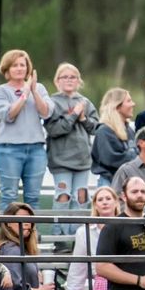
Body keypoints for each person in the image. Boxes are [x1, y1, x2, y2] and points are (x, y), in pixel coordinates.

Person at [0, 49, 52, 211]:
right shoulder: (1, 91)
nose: (19, 68)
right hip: (9, 150)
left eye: (22, 65)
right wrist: (24, 94)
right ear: (7, 69)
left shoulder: (39, 88)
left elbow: (46, 112)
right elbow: (8, 115)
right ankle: (8, 235)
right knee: (9, 196)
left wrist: (33, 91)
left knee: (33, 198)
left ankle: (31, 234)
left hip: (36, 149)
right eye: (14, 65)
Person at [45, 62, 98, 218]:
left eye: (73, 77)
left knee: (81, 196)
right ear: (57, 81)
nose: (69, 80)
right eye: (65, 77)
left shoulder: (85, 102)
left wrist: (83, 118)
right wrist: (73, 115)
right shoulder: (52, 102)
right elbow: (54, 130)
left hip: (82, 159)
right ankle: (59, 236)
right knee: (63, 195)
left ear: (78, 81)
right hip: (61, 160)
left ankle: (78, 235)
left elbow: (95, 128)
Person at [63, 186, 119, 290]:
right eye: (100, 199)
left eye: (108, 198)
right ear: (95, 205)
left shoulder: (127, 226)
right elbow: (78, 268)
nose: (104, 202)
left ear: (116, 202)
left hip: (122, 284)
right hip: (95, 284)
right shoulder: (84, 232)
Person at [90, 87, 137, 187]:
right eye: (129, 101)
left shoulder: (129, 129)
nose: (133, 104)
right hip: (109, 184)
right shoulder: (104, 131)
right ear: (117, 106)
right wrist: (136, 157)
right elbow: (110, 159)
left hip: (126, 184)